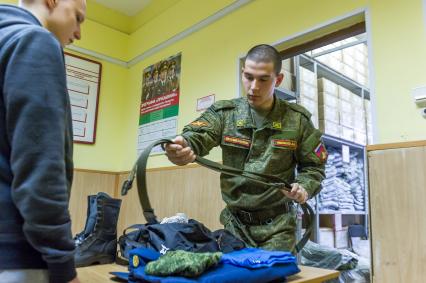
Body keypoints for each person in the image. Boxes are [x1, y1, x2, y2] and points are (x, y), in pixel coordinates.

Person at [165, 44, 327, 252]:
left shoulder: (297, 120)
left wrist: (304, 186)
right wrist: (182, 147)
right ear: (243, 73)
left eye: (263, 79)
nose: (253, 87)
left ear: (278, 80)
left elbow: (314, 167)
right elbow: (196, 136)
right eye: (248, 77)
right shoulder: (225, 113)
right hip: (235, 225)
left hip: (278, 227)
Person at [0, 0, 86, 282]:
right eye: (78, 17)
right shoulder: (37, 41)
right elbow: (40, 169)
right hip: (17, 254)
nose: (79, 32)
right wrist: (63, 264)